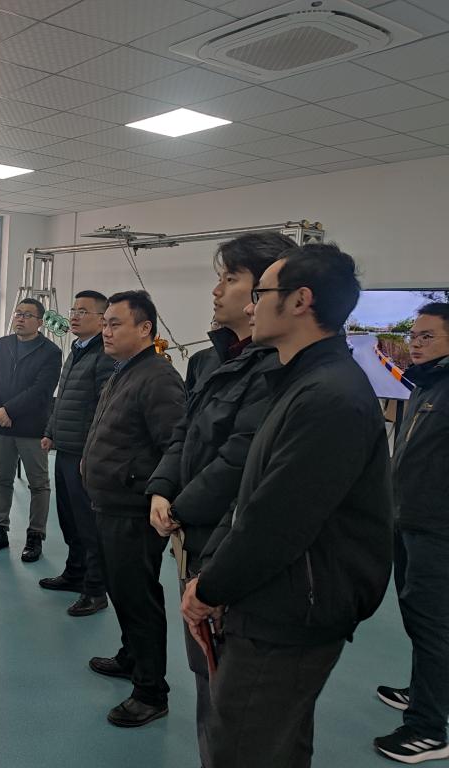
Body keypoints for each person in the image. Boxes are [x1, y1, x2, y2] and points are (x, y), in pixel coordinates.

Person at [181, 244, 393, 767]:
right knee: (276, 747)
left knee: (242, 749)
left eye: (260, 292)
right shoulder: (299, 380)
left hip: (289, 610)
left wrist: (209, 589)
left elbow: (275, 522)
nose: (250, 305)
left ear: (300, 300)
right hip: (276, 598)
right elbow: (254, 495)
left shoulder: (328, 396)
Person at [145, 232, 294, 765]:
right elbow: (184, 433)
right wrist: (162, 487)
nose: (216, 290)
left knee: (233, 688)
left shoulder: (279, 367)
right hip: (192, 535)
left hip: (227, 539)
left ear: (268, 292)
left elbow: (240, 458)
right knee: (204, 669)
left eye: (230, 279)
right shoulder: (209, 361)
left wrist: (182, 506)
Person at [82, 290, 185, 727]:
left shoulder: (158, 378)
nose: (105, 331)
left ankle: (150, 691)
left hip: (132, 508)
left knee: (138, 597)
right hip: (109, 503)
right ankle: (131, 656)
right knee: (122, 591)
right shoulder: (124, 371)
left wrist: (156, 493)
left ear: (145, 329)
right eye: (104, 323)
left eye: (115, 324)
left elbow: (176, 444)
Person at [373, 302, 449, 764]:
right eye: (414, 336)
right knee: (418, 617)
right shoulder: (425, 386)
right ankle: (426, 690)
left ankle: (428, 728)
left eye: (427, 336)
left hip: (437, 529)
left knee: (432, 623)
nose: (415, 344)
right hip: (408, 521)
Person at [39, 290, 115, 617]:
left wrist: (91, 450)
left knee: (88, 523)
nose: (74, 315)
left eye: (83, 311)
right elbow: (64, 398)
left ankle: (96, 590)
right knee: (69, 518)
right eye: (74, 309)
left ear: (101, 319)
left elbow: (104, 409)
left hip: (85, 454)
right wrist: (50, 431)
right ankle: (74, 574)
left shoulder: (104, 356)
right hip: (66, 449)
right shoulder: (77, 350)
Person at [0, 298, 62, 562]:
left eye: (28, 315)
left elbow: (41, 390)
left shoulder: (50, 352)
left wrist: (9, 410)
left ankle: (35, 535)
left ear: (40, 322)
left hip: (31, 428)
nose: (21, 318)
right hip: (0, 426)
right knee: (1, 479)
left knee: (39, 484)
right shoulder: (1, 345)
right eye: (18, 313)